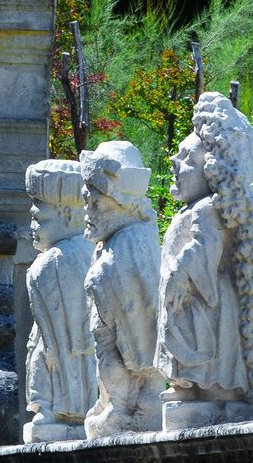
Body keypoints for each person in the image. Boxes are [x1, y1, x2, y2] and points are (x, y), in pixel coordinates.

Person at [156, 92, 253, 429]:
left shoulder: (208, 210)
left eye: (187, 158)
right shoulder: (190, 210)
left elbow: (205, 249)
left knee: (208, 351)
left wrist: (179, 272)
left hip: (207, 300)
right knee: (187, 345)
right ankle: (189, 387)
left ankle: (216, 392)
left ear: (211, 169)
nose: (175, 163)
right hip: (188, 300)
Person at [80, 141, 162, 437]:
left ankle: (130, 404)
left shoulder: (132, 241)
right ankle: (116, 403)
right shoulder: (109, 244)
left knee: (122, 359)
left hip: (133, 363)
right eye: (85, 202)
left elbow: (145, 316)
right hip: (109, 345)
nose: (87, 212)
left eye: (95, 204)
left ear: (121, 203)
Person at [23, 159, 96, 442]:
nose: (32, 226)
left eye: (39, 219)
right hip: (61, 341)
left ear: (67, 215)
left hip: (65, 344)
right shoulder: (85, 250)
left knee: (52, 362)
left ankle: (64, 409)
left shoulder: (57, 258)